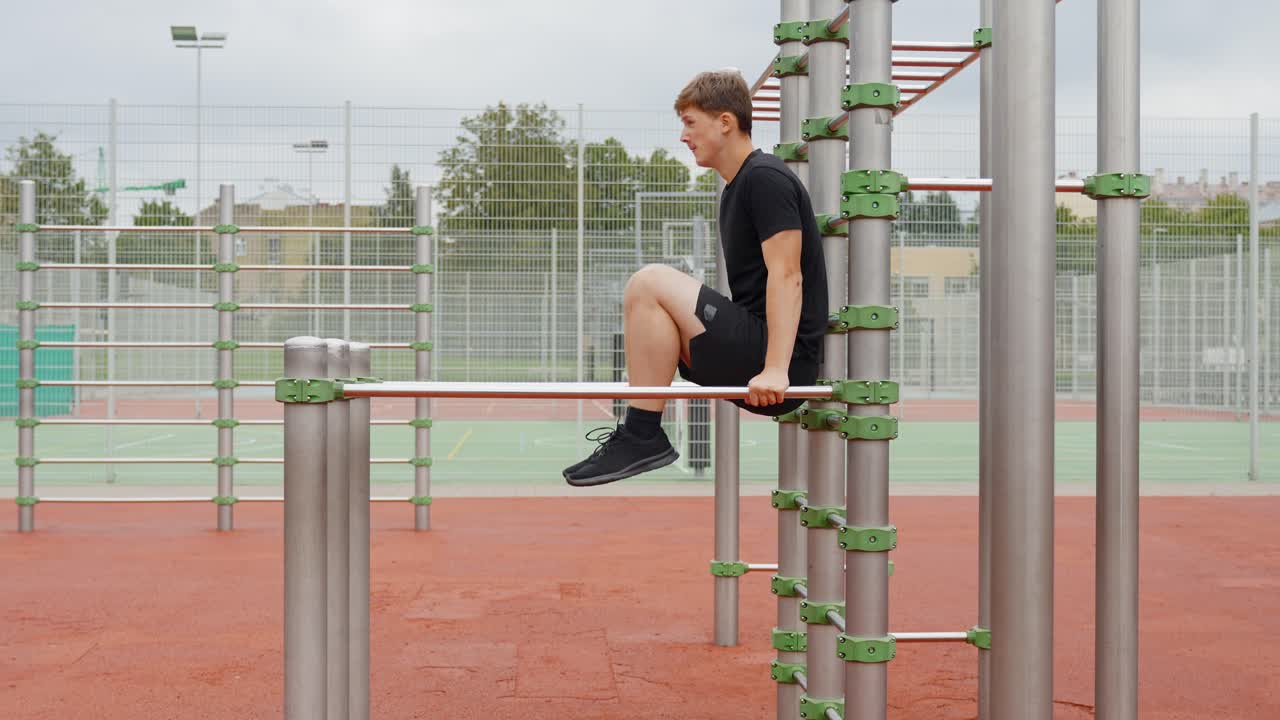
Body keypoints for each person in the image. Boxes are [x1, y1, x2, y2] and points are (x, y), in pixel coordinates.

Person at [563, 69, 828, 487]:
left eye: (690, 123)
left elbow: (787, 274)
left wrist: (776, 369)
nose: (683, 136)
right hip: (758, 351)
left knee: (649, 281)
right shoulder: (735, 189)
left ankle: (641, 433)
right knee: (650, 294)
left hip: (782, 363)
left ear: (725, 121)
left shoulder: (765, 178)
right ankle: (640, 432)